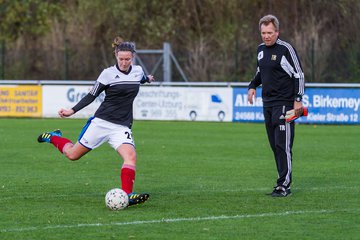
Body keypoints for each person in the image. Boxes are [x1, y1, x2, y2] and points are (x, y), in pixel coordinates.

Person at [38, 37, 155, 206]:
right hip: (101, 123)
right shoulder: (107, 74)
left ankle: (128, 195)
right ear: (116, 55)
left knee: (131, 157)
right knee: (72, 155)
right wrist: (72, 110)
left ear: (133, 57)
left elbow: (141, 78)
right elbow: (92, 95)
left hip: (121, 126)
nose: (124, 62)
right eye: (121, 59)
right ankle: (53, 137)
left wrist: (148, 79)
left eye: (127, 59)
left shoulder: (137, 71)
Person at [247, 15, 305, 197]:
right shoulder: (261, 50)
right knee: (274, 145)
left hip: (285, 103)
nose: (266, 36)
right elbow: (259, 72)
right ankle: (281, 181)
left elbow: (299, 74)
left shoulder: (286, 49)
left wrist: (298, 99)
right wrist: (252, 86)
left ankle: (284, 185)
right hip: (268, 104)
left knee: (283, 145)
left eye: (270, 33)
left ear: (277, 32)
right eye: (263, 33)